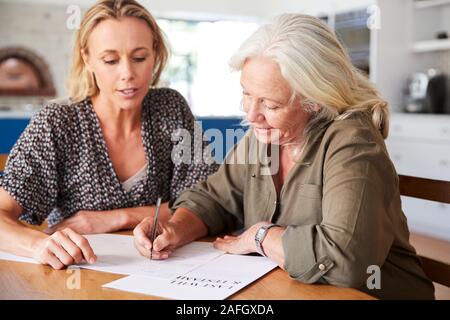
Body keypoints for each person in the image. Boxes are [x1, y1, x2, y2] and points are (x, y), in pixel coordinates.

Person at [133, 14, 435, 299]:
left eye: (271, 104)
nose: (252, 115)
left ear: (316, 100)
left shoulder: (353, 143)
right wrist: (175, 227)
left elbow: (346, 262)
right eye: (247, 94)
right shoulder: (263, 137)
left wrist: (261, 236)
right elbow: (215, 198)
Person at [0, 0, 217, 270]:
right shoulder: (57, 122)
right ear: (87, 58)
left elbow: (208, 203)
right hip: (80, 277)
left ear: (155, 52)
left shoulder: (170, 108)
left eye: (139, 58)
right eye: (111, 60)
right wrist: (37, 245)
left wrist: (116, 218)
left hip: (164, 271)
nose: (127, 74)